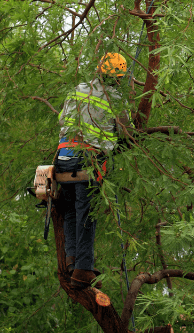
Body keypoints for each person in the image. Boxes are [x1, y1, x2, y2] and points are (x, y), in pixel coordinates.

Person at [55, 52, 131, 289]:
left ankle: (71, 261)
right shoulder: (117, 98)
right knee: (86, 216)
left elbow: (61, 120)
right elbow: (127, 133)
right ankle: (83, 270)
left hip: (63, 160)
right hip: (88, 164)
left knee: (70, 212)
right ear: (119, 78)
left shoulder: (77, 88)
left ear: (98, 70)